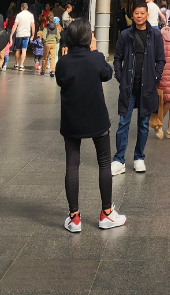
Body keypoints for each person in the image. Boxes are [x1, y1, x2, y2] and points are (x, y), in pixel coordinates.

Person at [55, 16, 126, 232]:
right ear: (88, 37)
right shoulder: (95, 58)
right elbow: (107, 74)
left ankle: (74, 217)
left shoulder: (63, 62)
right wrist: (96, 52)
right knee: (104, 162)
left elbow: (60, 80)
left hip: (71, 120)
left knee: (72, 164)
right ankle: (106, 213)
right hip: (97, 118)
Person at [112, 2, 165, 175]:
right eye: (136, 13)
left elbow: (161, 59)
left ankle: (139, 158)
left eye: (142, 13)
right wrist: (120, 76)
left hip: (147, 87)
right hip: (128, 86)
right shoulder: (125, 35)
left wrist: (156, 77)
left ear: (147, 14)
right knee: (123, 124)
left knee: (143, 124)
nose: (139, 16)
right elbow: (117, 57)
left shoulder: (155, 35)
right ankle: (119, 159)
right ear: (132, 15)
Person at [9, 1, 36, 70]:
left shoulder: (18, 15)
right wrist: (33, 35)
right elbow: (33, 25)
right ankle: (21, 65)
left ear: (21, 8)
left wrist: (11, 34)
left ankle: (16, 64)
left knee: (17, 49)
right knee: (24, 49)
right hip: (26, 34)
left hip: (19, 34)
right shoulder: (30, 15)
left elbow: (15, 25)